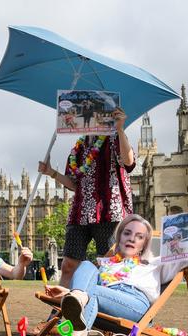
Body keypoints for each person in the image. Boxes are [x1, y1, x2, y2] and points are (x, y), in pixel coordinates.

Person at [40, 209, 188, 336]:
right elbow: (94, 290)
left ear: (144, 244)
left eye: (139, 237)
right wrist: (70, 292)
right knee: (87, 264)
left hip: (136, 307)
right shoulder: (106, 264)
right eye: (127, 233)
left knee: (91, 293)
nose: (132, 239)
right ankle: (77, 299)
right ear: (119, 237)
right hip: (99, 300)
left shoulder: (155, 263)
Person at [38, 107, 134, 295]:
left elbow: (128, 161)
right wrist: (52, 173)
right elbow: (74, 184)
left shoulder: (113, 138)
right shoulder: (79, 147)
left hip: (108, 210)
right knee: (68, 264)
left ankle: (103, 310)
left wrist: (120, 129)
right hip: (80, 211)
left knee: (108, 265)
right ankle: (60, 312)